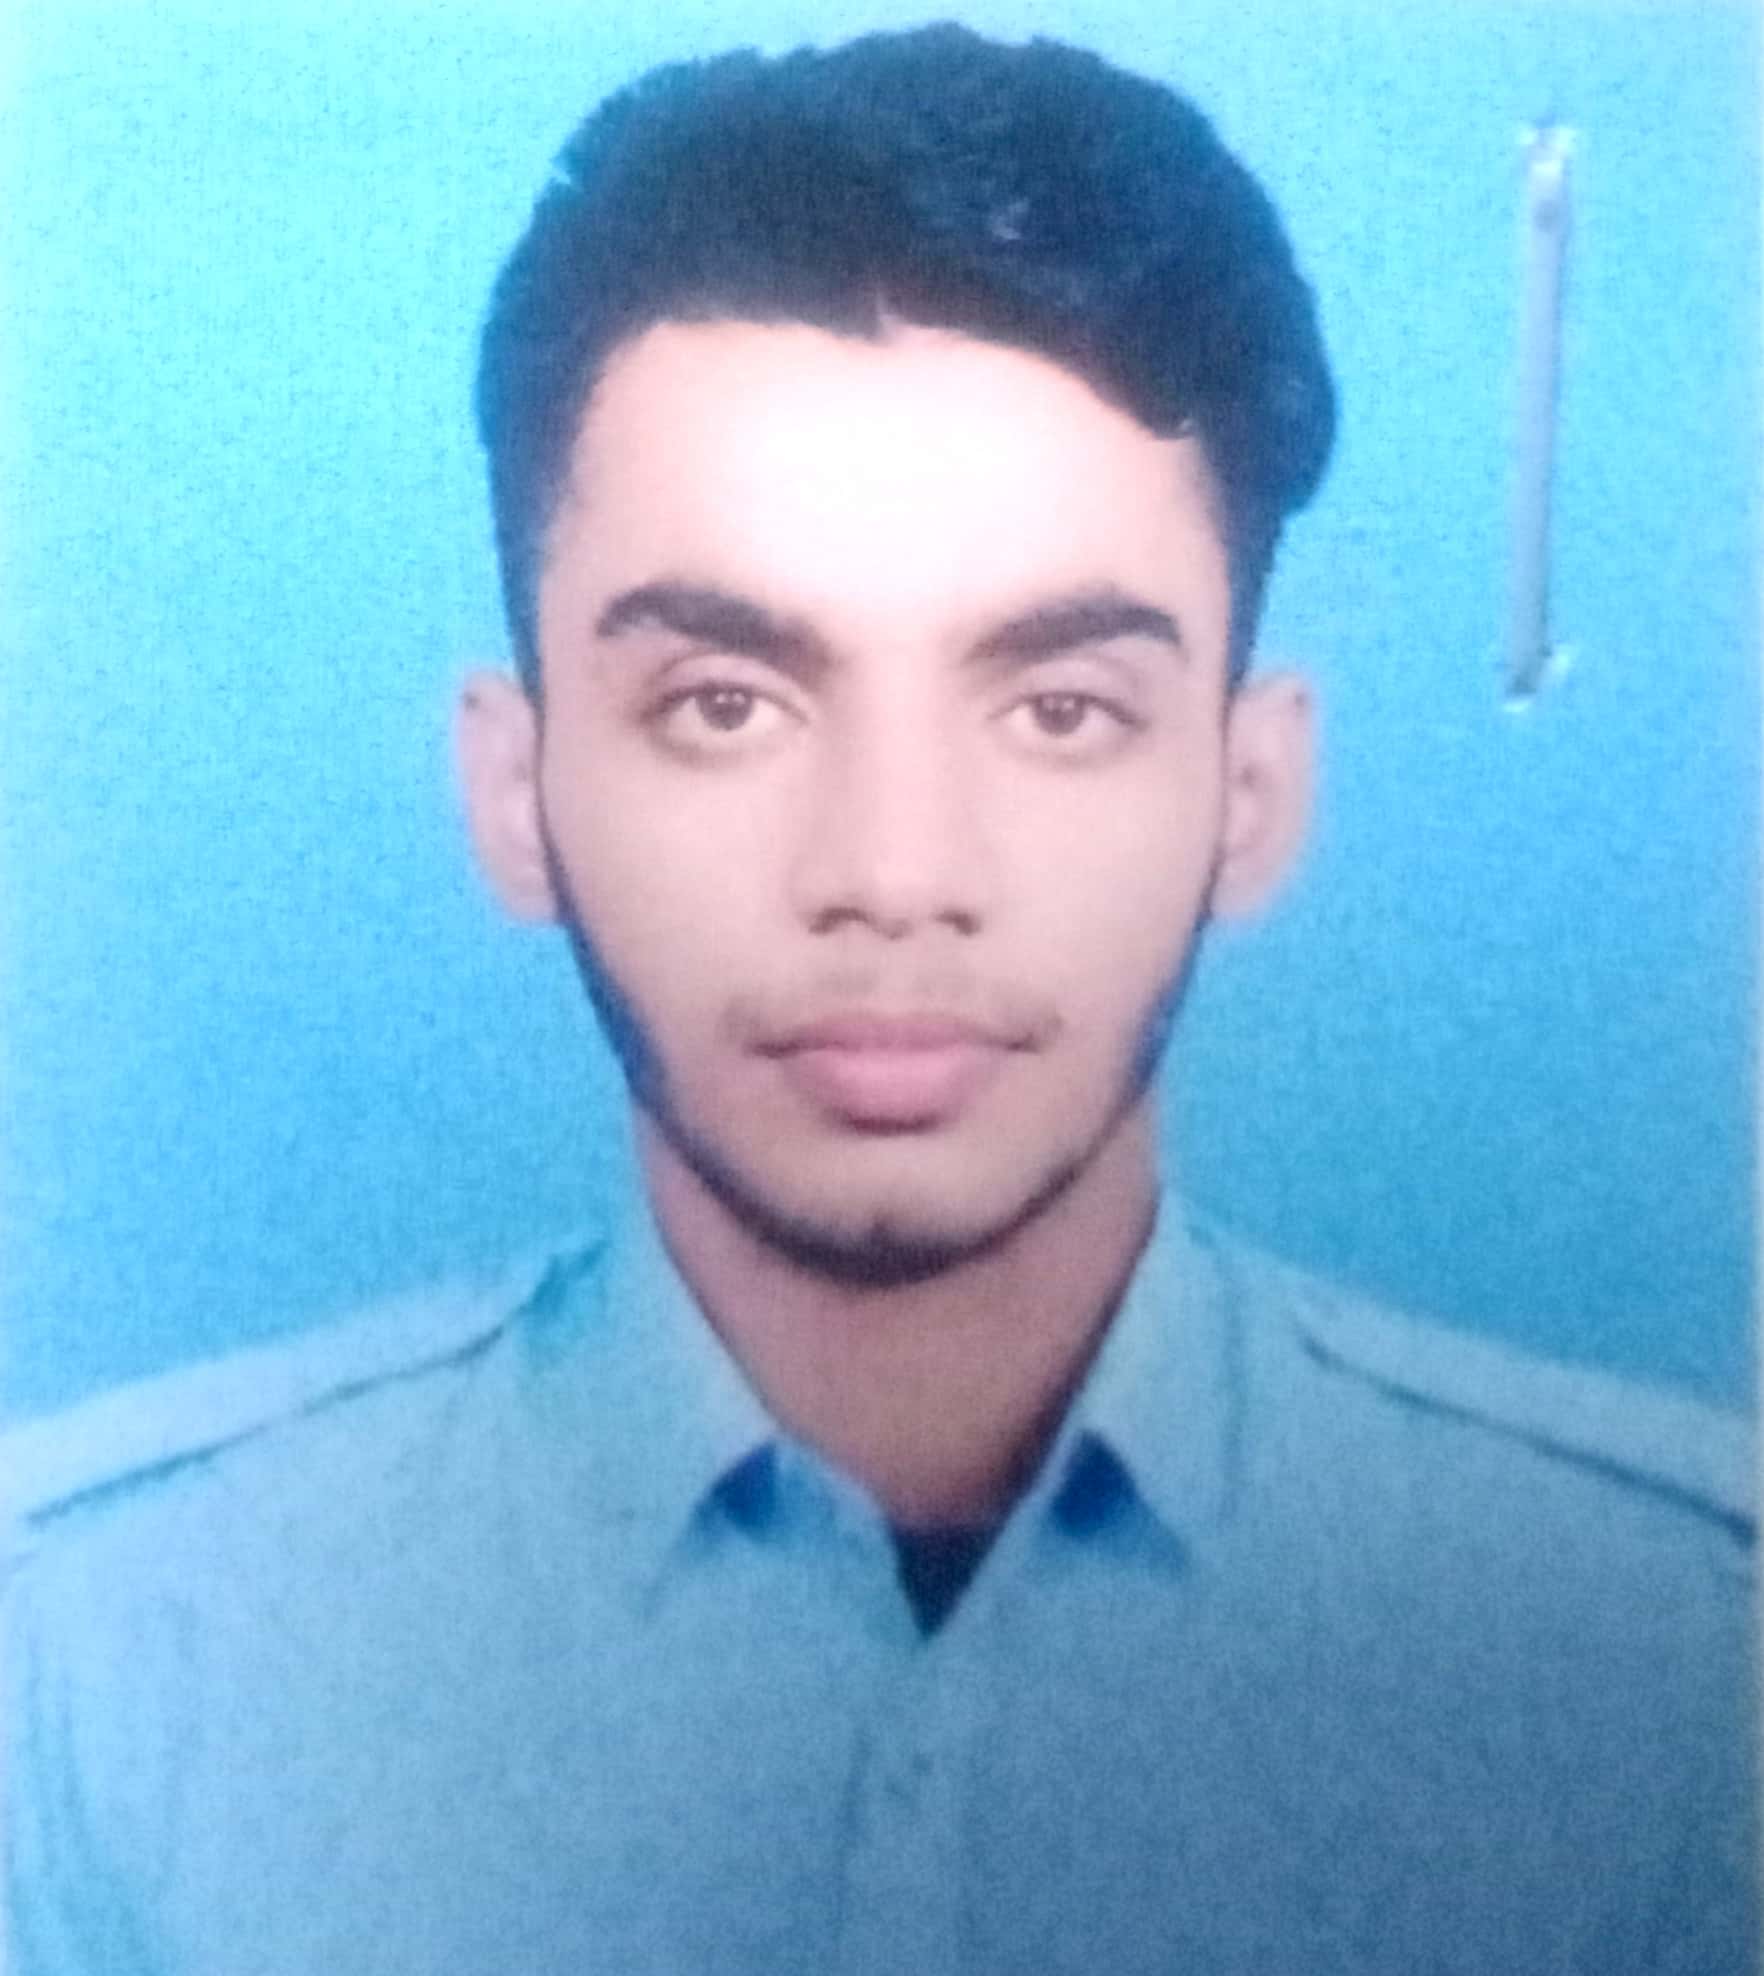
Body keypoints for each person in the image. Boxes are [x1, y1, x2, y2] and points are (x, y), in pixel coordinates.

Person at [3, 24, 1753, 1975]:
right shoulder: (90, 1672)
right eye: (724, 706)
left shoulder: (1690, 1675)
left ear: (1251, 795)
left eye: (1062, 709)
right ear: (515, 792)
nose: (896, 868)